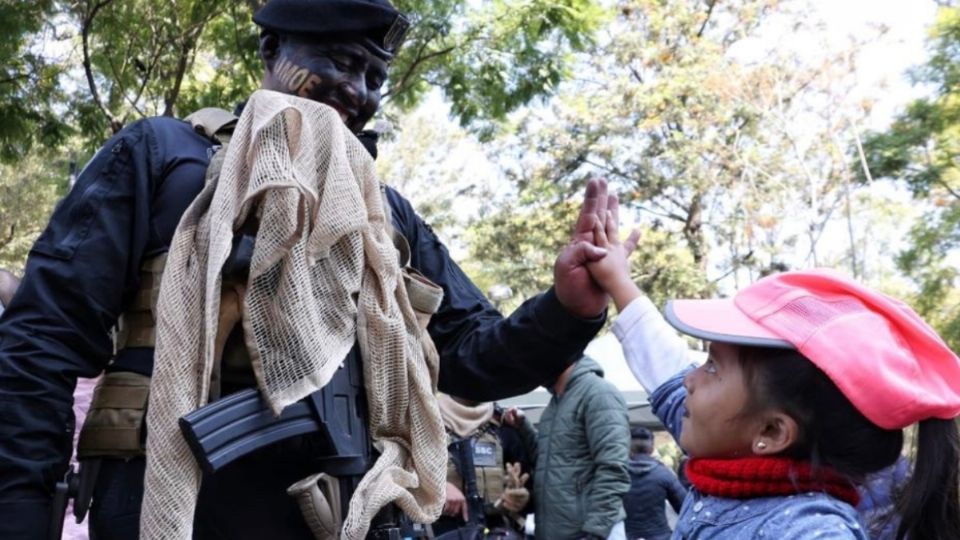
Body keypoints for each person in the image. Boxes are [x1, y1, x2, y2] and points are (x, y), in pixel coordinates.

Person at [0, 1, 623, 538]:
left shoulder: (386, 216)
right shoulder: (165, 159)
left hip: (341, 512)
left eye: (375, 76)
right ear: (272, 47)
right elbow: (41, 341)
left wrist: (568, 308)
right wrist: (21, 511)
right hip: (169, 508)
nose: (358, 90)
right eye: (340, 62)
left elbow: (472, 355)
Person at [583, 209, 960, 539]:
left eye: (713, 367)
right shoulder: (733, 459)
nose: (689, 380)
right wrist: (618, 281)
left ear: (772, 432)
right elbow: (666, 369)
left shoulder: (805, 528)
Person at [506, 357, 631, 540]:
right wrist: (523, 426)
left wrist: (596, 532)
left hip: (590, 533)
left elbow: (614, 468)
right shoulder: (555, 405)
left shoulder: (599, 394)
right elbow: (548, 461)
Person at [433, 394, 529, 538]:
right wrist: (436, 487)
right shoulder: (425, 424)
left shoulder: (503, 428)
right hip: (437, 530)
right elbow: (399, 474)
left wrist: (519, 500)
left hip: (494, 530)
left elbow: (530, 485)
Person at [622, 427, 685, 540]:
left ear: (628, 448)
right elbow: (684, 507)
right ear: (651, 449)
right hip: (660, 536)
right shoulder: (664, 474)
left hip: (626, 535)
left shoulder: (617, 474)